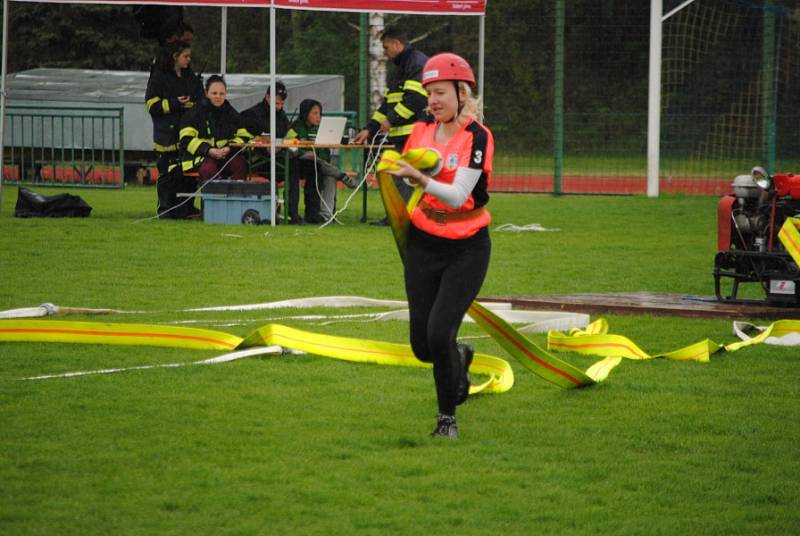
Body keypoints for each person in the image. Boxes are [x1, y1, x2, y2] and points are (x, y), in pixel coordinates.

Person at [384, 53, 494, 439]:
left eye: (441, 92)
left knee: (439, 333)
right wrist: (391, 176)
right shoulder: (420, 131)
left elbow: (458, 194)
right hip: (423, 244)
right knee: (422, 346)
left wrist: (419, 178)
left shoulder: (477, 136)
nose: (433, 100)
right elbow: (406, 180)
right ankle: (458, 358)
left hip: (467, 248)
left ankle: (446, 418)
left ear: (463, 94)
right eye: (430, 92)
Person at [352, 26, 429, 224]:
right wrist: (369, 129)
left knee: (402, 176)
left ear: (397, 44)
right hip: (402, 136)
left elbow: (416, 100)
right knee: (393, 174)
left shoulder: (416, 63)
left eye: (386, 48)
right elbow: (387, 104)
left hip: (415, 135)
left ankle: (403, 217)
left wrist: (391, 120)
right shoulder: (403, 67)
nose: (385, 54)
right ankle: (398, 216)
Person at [144, 40, 203, 219]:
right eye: (185, 56)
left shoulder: (190, 77)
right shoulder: (160, 77)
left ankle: (185, 209)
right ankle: (165, 210)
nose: (188, 60)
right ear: (174, 56)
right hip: (166, 135)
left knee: (188, 174)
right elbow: (151, 104)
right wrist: (175, 103)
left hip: (186, 133)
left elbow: (199, 98)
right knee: (167, 174)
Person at [285, 98, 351, 224]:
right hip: (299, 163)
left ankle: (322, 216)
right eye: (314, 113)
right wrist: (304, 153)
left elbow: (327, 151)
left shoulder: (323, 128)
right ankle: (341, 175)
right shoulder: (295, 127)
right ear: (305, 114)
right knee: (318, 167)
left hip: (319, 163)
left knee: (326, 174)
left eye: (319, 113)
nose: (318, 117)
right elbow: (288, 146)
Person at [241, 81, 300, 223]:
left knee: (297, 163)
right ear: (267, 97)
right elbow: (242, 136)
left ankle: (290, 213)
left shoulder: (281, 115)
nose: (279, 107)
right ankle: (282, 213)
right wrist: (260, 143)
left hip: (278, 157)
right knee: (292, 166)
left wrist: (286, 142)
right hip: (258, 159)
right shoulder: (251, 114)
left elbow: (290, 135)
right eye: (276, 103)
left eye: (281, 104)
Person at [177, 75, 250, 185]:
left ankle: (235, 199)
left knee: (240, 165)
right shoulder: (195, 113)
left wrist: (230, 147)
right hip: (200, 158)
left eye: (221, 94)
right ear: (206, 93)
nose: (218, 97)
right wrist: (208, 150)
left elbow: (244, 135)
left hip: (225, 157)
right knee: (209, 169)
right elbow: (186, 139)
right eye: (214, 93)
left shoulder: (231, 113)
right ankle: (216, 200)